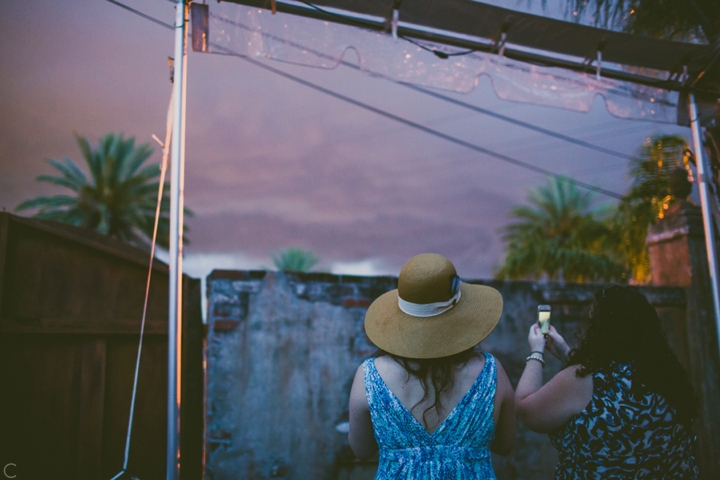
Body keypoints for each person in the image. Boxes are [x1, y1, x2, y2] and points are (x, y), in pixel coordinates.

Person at [348, 253, 516, 479]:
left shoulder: (369, 376)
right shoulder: (491, 372)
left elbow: (362, 451)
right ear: (460, 313)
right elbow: (504, 445)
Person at [516, 286, 699, 479]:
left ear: (599, 329)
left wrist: (537, 351)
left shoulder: (583, 380)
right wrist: (566, 353)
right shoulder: (668, 377)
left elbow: (525, 408)